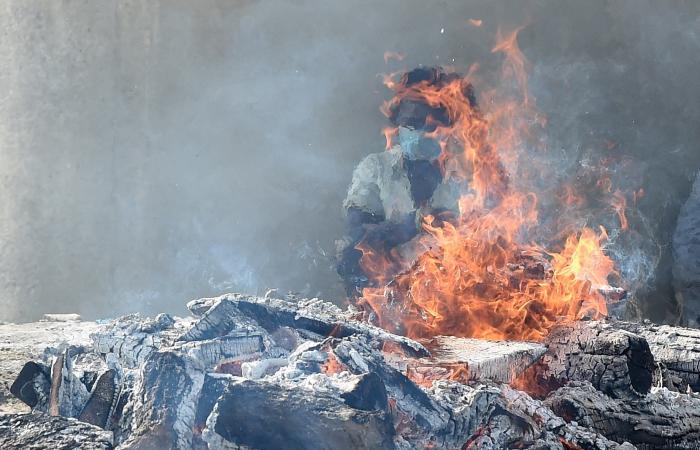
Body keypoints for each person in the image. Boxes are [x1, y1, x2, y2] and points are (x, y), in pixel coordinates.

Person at [337, 67, 476, 296]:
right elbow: (358, 243)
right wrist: (408, 241)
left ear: (445, 129)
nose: (418, 131)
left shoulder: (466, 172)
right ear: (398, 124)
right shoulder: (376, 169)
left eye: (428, 125)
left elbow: (481, 238)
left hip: (454, 294)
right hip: (390, 296)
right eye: (410, 124)